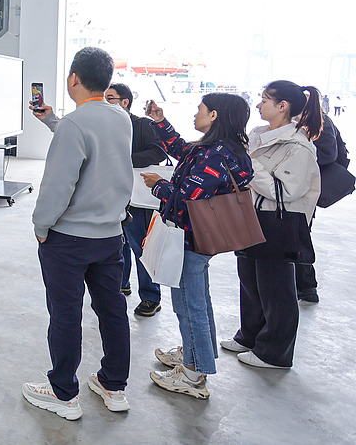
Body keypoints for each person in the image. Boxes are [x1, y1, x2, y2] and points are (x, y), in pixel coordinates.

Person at [21, 47, 133, 420]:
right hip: (110, 237)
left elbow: (58, 185)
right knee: (112, 309)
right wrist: (54, 120)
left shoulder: (75, 124)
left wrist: (41, 226)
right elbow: (94, 147)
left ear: (74, 78)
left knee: (66, 314)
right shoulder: (121, 117)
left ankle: (63, 393)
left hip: (69, 240)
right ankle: (113, 385)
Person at [142, 93, 253, 400]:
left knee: (190, 307)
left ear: (215, 115)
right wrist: (160, 121)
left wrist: (158, 185)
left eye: (200, 109)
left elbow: (187, 198)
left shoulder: (217, 155)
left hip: (191, 239)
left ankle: (193, 375)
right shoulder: (216, 149)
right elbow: (182, 150)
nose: (196, 114)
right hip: (196, 238)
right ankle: (195, 354)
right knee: (196, 302)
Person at [222, 81, 321, 370]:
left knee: (276, 289)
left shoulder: (298, 146)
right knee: (249, 280)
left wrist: (247, 165)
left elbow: (285, 191)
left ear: (282, 106)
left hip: (276, 223)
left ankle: (274, 353)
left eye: (264, 100)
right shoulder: (257, 135)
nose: (258, 105)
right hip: (249, 216)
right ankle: (250, 336)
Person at [106, 82, 167, 317]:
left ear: (125, 102)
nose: (106, 102)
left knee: (141, 245)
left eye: (110, 98)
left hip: (138, 196)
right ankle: (121, 283)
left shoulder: (143, 125)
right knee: (116, 243)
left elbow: (159, 152)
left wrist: (124, 159)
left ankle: (151, 296)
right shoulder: (105, 125)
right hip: (111, 193)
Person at [300, 111, 350, 302]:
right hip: (301, 186)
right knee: (299, 234)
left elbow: (328, 154)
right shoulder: (305, 118)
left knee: (300, 234)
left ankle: (306, 286)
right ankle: (304, 285)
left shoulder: (317, 120)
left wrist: (297, 159)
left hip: (306, 188)